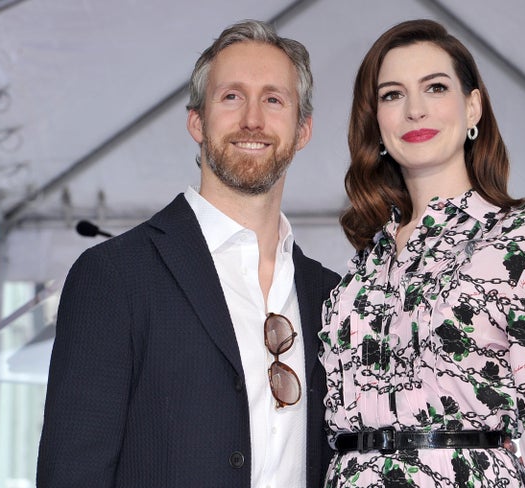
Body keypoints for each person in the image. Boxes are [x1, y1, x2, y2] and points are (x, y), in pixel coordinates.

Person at [37, 20, 339, 488]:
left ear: (303, 130)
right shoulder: (115, 276)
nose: (253, 120)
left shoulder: (332, 297)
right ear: (197, 121)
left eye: (274, 99)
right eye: (232, 96)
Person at [319, 19, 525, 487]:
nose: (415, 110)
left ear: (473, 107)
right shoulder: (362, 267)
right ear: (376, 121)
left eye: (435, 87)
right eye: (392, 94)